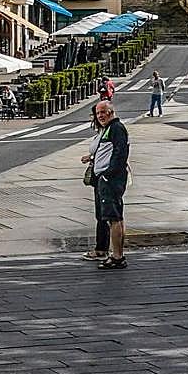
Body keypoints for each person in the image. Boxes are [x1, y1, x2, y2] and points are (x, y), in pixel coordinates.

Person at [80, 101, 129, 269]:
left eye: (103, 112)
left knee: (114, 218)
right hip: (105, 178)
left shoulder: (116, 128)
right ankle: (112, 254)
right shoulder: (109, 128)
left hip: (110, 180)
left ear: (111, 112)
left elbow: (120, 154)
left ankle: (117, 257)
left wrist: (108, 175)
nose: (100, 115)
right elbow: (108, 152)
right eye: (98, 113)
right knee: (111, 217)